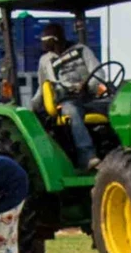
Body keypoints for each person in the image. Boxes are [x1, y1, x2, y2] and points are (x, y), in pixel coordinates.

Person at [37, 23, 105, 170]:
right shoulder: (45, 61)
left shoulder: (82, 50)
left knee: (115, 106)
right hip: (66, 100)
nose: (41, 42)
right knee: (72, 112)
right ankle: (87, 156)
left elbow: (98, 73)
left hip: (89, 96)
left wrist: (88, 85)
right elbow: (42, 86)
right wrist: (33, 106)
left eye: (44, 39)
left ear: (54, 39)